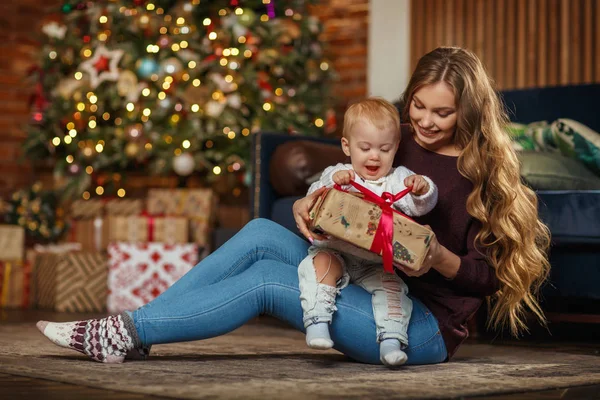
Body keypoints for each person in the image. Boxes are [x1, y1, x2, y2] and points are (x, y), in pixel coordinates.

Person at [36, 46, 550, 367]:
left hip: (417, 325)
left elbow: (486, 279)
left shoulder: (480, 174)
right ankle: (138, 329)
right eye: (417, 105)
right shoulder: (399, 137)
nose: (425, 121)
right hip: (361, 273)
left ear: (470, 111)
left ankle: (127, 332)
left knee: (267, 282)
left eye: (442, 112)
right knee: (262, 231)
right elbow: (353, 173)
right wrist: (312, 202)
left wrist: (436, 254)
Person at [297, 97, 437, 367]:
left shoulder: (397, 179)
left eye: (384, 149)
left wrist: (422, 187)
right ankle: (317, 320)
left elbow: (421, 205)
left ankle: (391, 341)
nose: (375, 156)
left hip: (376, 262)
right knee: (318, 266)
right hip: (337, 252)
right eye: (365, 148)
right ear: (347, 146)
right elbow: (314, 198)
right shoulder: (340, 173)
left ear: (396, 148)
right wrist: (332, 184)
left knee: (393, 289)